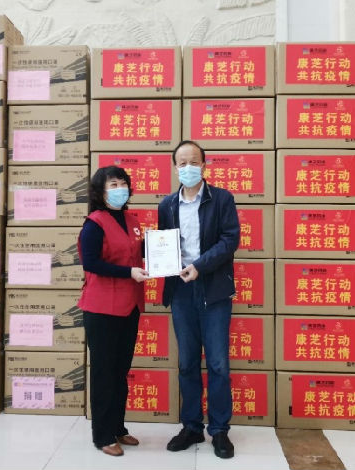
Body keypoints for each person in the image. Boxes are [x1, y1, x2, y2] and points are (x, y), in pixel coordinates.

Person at [158, 140, 239, 459]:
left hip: (213, 289)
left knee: (218, 363)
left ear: (204, 165)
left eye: (194, 162)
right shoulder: (167, 205)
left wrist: (200, 267)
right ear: (174, 167)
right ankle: (191, 426)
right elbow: (163, 245)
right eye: (182, 163)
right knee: (187, 362)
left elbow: (230, 240)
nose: (188, 168)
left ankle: (219, 430)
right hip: (181, 290)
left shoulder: (222, 199)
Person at [77, 166, 149, 457]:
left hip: (130, 305)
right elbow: (91, 262)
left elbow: (139, 253)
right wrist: (128, 272)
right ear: (100, 191)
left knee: (121, 371)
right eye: (113, 184)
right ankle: (103, 436)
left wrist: (163, 251)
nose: (120, 189)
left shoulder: (132, 220)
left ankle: (118, 427)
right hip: (102, 308)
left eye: (123, 183)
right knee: (104, 373)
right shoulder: (94, 223)